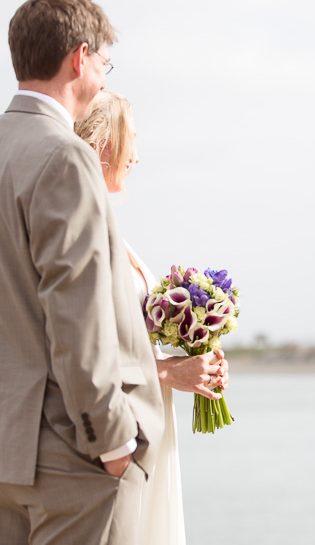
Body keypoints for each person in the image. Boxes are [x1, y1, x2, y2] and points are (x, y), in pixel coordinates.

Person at [0, 0, 164, 545]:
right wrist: (112, 443)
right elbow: (79, 315)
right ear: (79, 57)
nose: (106, 77)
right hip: (70, 457)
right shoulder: (64, 155)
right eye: (106, 63)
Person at [74, 90, 230, 544]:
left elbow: (128, 335)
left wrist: (196, 352)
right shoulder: (82, 225)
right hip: (119, 424)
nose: (137, 156)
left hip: (150, 417)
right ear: (104, 141)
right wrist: (167, 371)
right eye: (132, 139)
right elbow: (87, 346)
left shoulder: (109, 227)